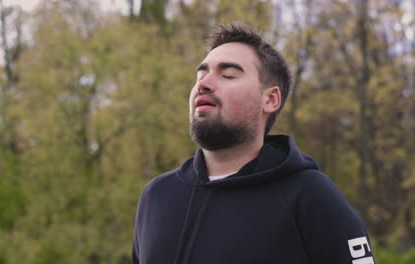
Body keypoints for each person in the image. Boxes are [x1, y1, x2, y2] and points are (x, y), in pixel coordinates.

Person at [131, 22, 375, 264]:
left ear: (270, 99)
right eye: (201, 75)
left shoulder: (311, 194)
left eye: (227, 75)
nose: (203, 84)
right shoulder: (156, 196)